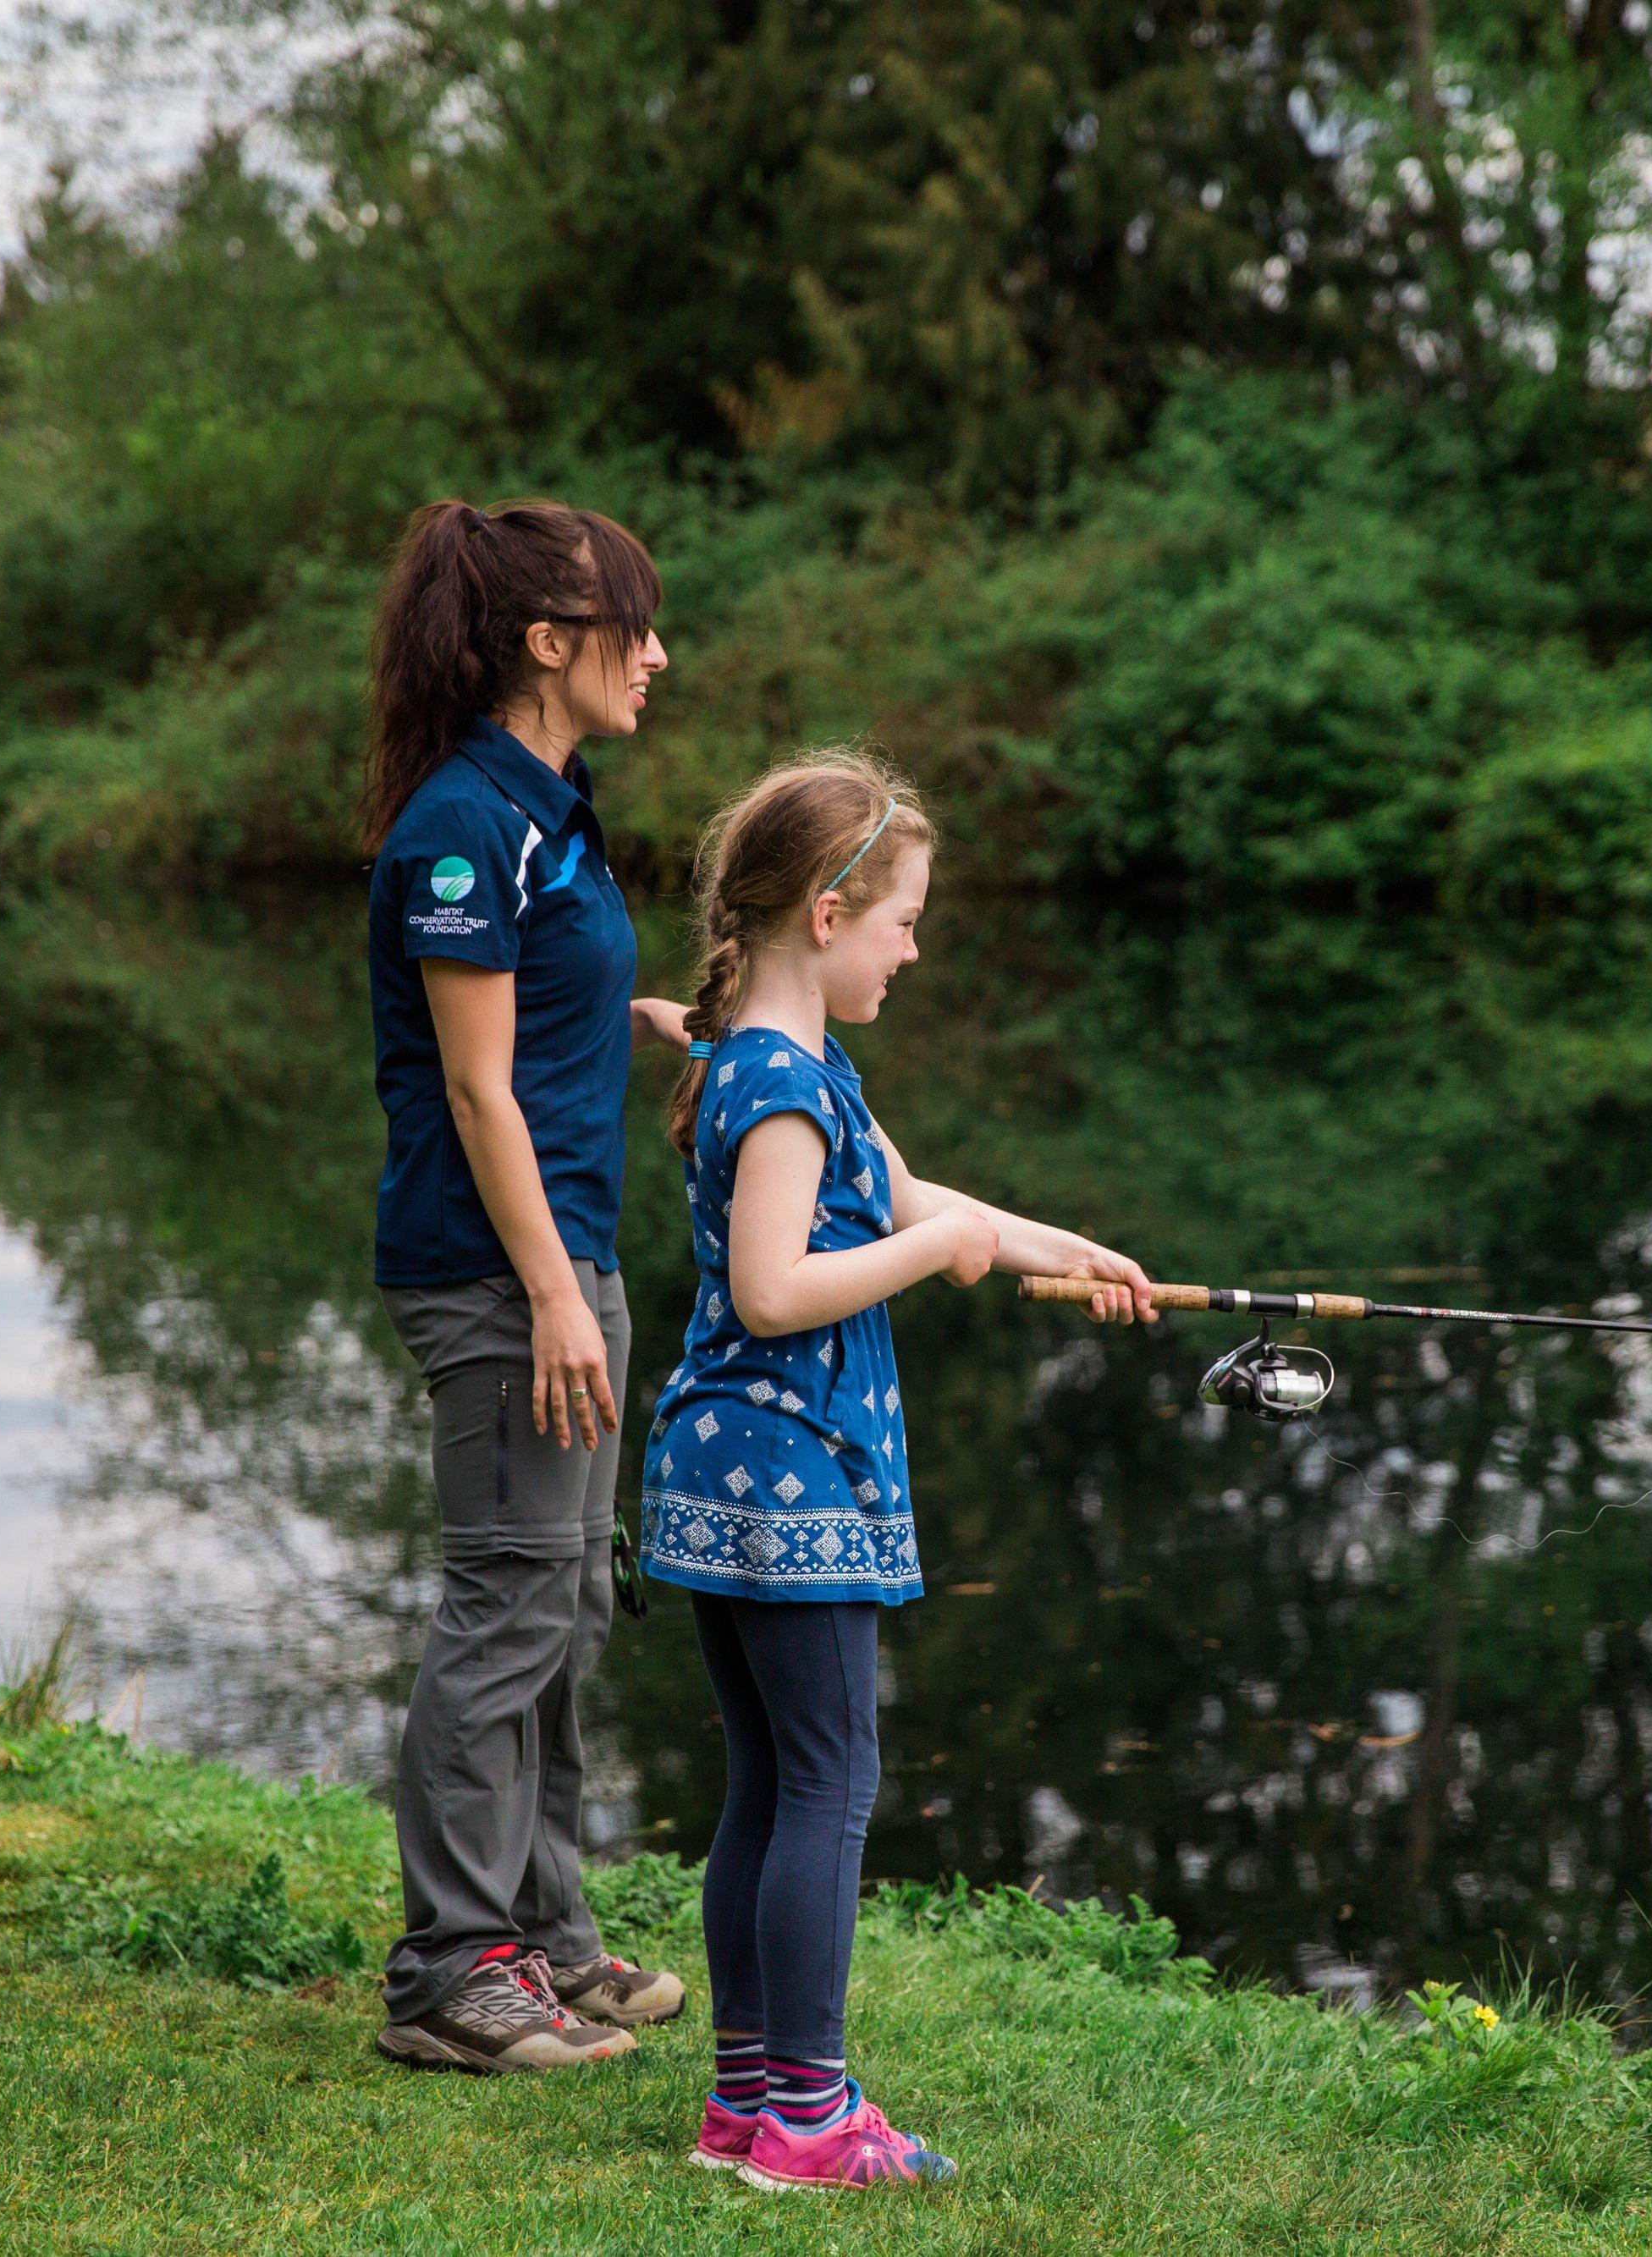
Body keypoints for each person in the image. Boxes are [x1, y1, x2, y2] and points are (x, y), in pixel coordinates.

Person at [641, 755, 1154, 2191]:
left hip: (720, 1470)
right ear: (825, 912)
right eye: (904, 918)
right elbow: (773, 1290)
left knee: (767, 1782)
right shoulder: (786, 1090)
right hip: (789, 1475)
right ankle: (807, 2119)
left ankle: (749, 2104)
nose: (916, 946)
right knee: (826, 1784)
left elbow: (923, 1201)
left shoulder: (783, 1064)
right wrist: (934, 1257)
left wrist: (1079, 1254)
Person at [362, 498, 691, 2074]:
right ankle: (450, 1973)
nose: (659, 656)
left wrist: (641, 1014)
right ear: (549, 646)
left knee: (566, 1605)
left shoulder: (553, 806)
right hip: (500, 1275)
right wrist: (555, 1297)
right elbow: (476, 1090)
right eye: (634, 627)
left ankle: (546, 1940)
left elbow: (535, 1002)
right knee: (504, 1604)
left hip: (566, 1256)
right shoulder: (459, 825)